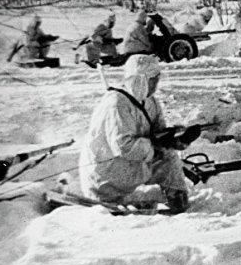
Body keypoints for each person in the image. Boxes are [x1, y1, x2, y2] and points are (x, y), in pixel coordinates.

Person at [79, 54, 190, 213]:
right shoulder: (116, 104)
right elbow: (123, 147)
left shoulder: (150, 101)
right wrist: (157, 145)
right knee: (165, 157)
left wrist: (173, 138)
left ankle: (177, 199)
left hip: (125, 167)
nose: (156, 86)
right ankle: (111, 198)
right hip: (106, 174)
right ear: (140, 79)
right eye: (153, 80)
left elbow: (158, 133)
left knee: (169, 156)